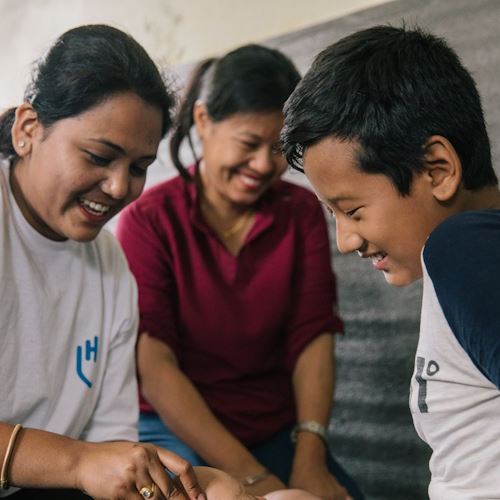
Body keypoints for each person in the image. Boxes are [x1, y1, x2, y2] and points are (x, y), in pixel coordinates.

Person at [0, 23, 246, 500]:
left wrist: (182, 486)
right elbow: (86, 460)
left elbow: (110, 442)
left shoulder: (110, 267)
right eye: (98, 156)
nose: (119, 188)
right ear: (29, 129)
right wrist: (77, 462)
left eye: (138, 168)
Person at [116, 44, 363, 500]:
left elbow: (312, 337)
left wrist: (309, 459)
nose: (265, 166)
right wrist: (254, 479)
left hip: (272, 427)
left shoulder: (301, 212)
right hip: (175, 429)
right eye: (249, 144)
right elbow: (155, 365)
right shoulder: (148, 221)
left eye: (277, 149)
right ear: (204, 121)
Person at [281, 25, 500, 500]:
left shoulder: (462, 249)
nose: (345, 240)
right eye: (332, 214)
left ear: (437, 170)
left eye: (353, 210)